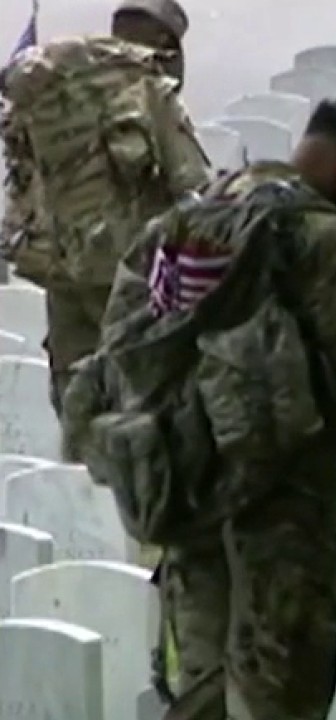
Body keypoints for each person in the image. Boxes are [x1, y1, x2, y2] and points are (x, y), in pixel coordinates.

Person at [148, 92, 336, 719]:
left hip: (193, 489)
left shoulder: (213, 204)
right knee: (283, 685)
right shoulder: (322, 237)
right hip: (287, 507)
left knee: (204, 686)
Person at [0, 0, 206, 459]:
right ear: (165, 41)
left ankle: (77, 480)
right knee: (141, 395)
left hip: (60, 268)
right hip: (128, 275)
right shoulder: (147, 85)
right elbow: (192, 188)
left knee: (75, 388)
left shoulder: (53, 86)